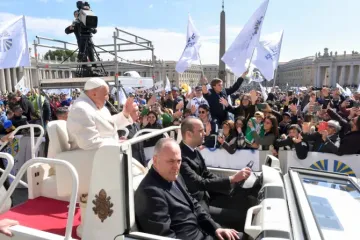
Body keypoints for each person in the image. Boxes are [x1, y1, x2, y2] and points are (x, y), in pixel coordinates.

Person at [135, 138, 243, 240]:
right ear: (155, 160)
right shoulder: (150, 193)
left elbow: (194, 204)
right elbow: (165, 237)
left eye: (178, 161)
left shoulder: (175, 177)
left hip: (201, 232)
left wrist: (215, 228)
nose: (176, 166)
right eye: (171, 161)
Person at [179, 117, 257, 232]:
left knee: (242, 203)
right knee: (240, 218)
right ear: (189, 134)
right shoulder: (180, 157)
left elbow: (206, 174)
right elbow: (198, 183)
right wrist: (231, 179)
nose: (204, 133)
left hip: (208, 196)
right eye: (201, 131)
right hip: (198, 206)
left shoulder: (194, 151)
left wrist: (231, 181)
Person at [67, 77, 135, 150]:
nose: (107, 98)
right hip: (90, 158)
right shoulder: (80, 109)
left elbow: (109, 125)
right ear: (94, 94)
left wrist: (125, 114)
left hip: (105, 155)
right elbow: (89, 143)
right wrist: (116, 143)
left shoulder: (100, 107)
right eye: (105, 94)